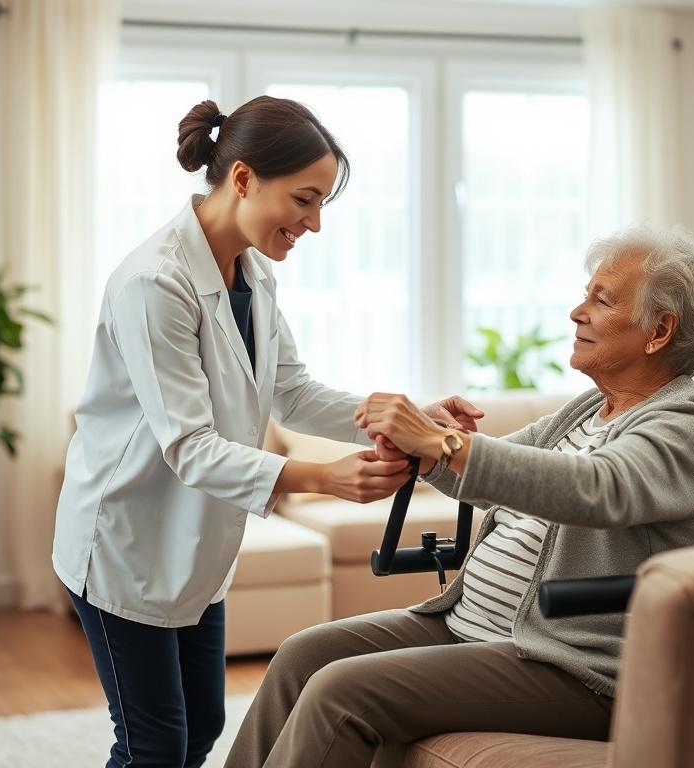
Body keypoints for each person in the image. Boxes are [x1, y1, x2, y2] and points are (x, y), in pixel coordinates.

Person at [51, 95, 481, 768]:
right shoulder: (153, 281)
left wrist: (408, 417)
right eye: (305, 200)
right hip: (123, 544)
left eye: (322, 206)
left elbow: (292, 392)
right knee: (154, 746)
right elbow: (188, 445)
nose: (313, 223)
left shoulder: (255, 273)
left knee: (199, 729)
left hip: (193, 545)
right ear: (244, 178)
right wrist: (321, 478)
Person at [227, 225, 694, 767]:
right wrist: (425, 446)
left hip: (573, 665)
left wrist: (445, 444)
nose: (576, 312)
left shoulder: (689, 424)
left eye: (601, 299)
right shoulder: (587, 410)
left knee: (341, 692)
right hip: (469, 627)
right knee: (302, 655)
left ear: (659, 331)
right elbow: (485, 477)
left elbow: (599, 489)